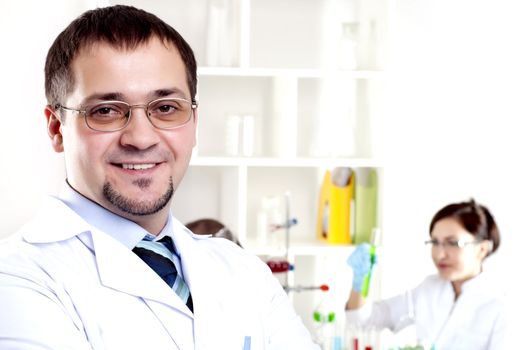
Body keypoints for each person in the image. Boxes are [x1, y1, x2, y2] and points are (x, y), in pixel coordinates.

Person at [0, 5, 319, 349]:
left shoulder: (243, 272)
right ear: (56, 128)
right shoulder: (18, 279)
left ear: (194, 123)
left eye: (166, 108)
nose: (141, 138)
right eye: (106, 111)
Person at [346, 199, 506, 349]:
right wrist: (360, 281)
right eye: (435, 242)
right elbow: (364, 321)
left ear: (482, 249)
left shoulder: (501, 306)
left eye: (452, 243)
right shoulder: (429, 289)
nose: (440, 254)